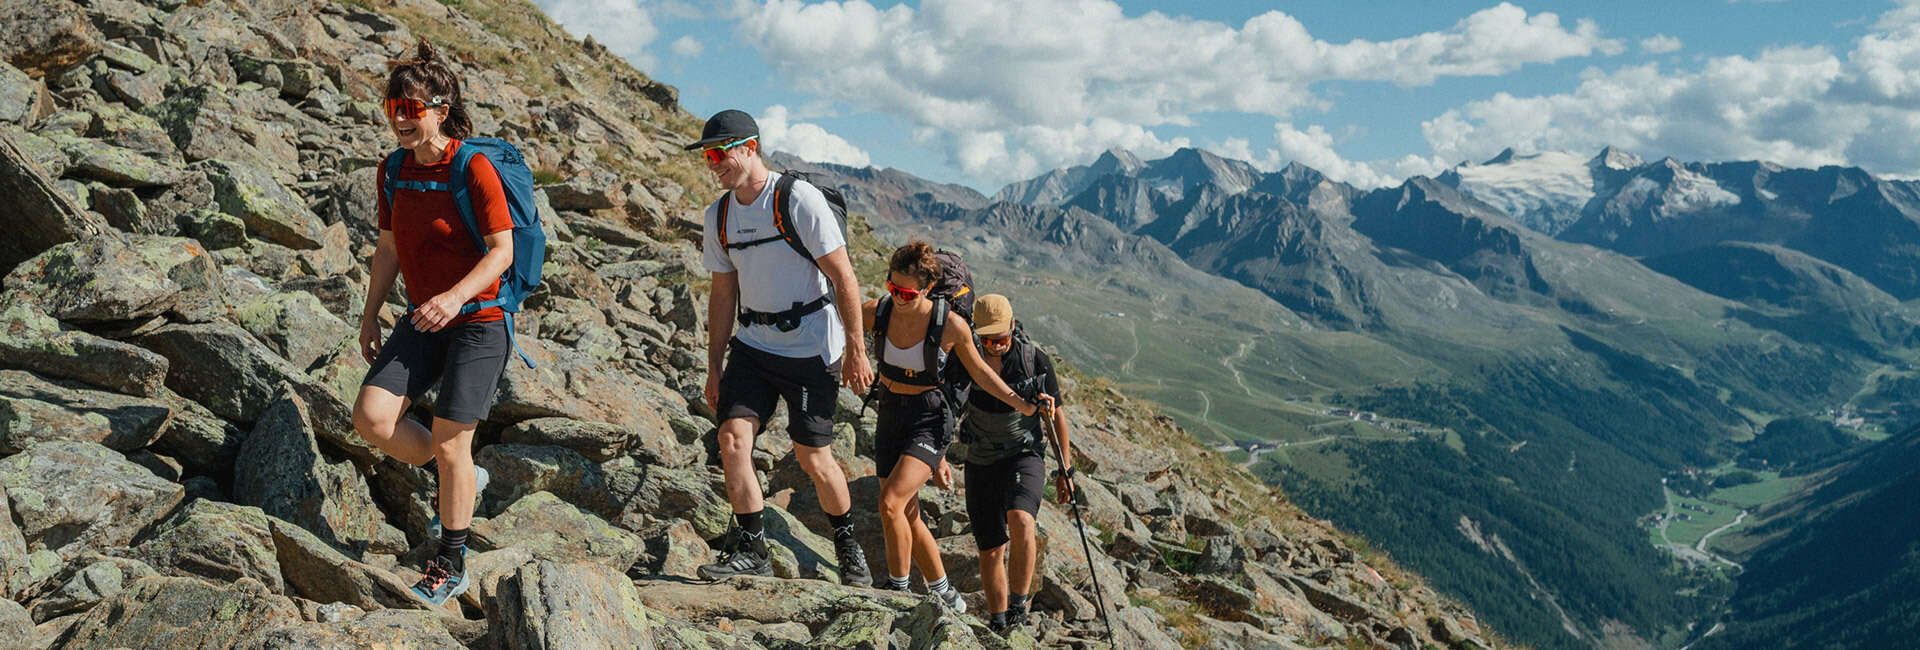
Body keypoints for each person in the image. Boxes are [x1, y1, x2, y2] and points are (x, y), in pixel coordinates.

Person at [349, 40, 509, 605]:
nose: (399, 119)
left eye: (412, 110)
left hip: (478, 321)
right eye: (393, 108)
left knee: (449, 443)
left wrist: (455, 296)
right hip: (421, 317)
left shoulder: (472, 167)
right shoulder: (392, 169)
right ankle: (460, 480)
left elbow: (501, 252)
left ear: (441, 109)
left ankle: (451, 560)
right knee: (371, 418)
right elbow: (388, 249)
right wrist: (370, 315)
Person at [692, 110, 875, 585]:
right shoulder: (720, 215)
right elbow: (722, 294)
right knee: (732, 440)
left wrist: (856, 348)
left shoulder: (796, 199)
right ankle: (754, 549)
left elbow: (844, 277)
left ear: (749, 147)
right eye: (708, 157)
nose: (713, 165)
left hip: (811, 347)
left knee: (813, 456)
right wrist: (714, 368)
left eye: (718, 153)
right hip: (753, 344)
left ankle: (848, 543)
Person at [862, 243, 1049, 611]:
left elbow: (981, 373)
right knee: (907, 511)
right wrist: (852, 348)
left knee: (890, 503)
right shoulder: (879, 310)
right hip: (889, 412)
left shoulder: (950, 325)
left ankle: (896, 591)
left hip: (929, 419)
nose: (898, 297)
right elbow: (842, 310)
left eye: (907, 292)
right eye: (892, 288)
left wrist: (1024, 404)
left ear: (928, 288)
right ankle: (945, 590)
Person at [949, 294, 1072, 633]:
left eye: (1000, 339)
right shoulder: (964, 358)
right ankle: (998, 619)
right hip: (981, 459)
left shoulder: (1034, 360)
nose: (994, 346)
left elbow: (1058, 417)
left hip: (1024, 453)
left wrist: (1066, 470)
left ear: (1013, 328)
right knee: (990, 547)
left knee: (1021, 520)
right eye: (986, 339)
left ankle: (1019, 605)